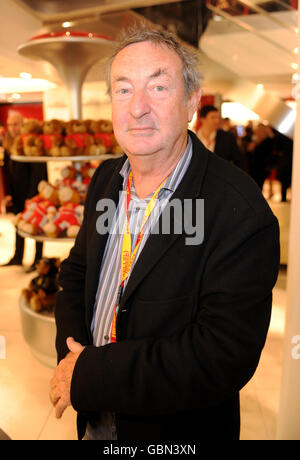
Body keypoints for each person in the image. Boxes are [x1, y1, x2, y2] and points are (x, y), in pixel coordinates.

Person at [50, 26, 280, 441]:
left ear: (192, 101)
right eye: (123, 90)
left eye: (158, 87)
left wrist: (91, 373)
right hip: (96, 420)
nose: (137, 108)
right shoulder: (106, 179)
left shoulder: (238, 210)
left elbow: (221, 356)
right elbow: (76, 273)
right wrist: (72, 356)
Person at [1, 111, 47, 271]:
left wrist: (32, 196)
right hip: (17, 193)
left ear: (23, 124)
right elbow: (8, 172)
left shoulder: (31, 142)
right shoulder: (9, 144)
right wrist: (8, 194)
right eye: (10, 125)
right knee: (18, 225)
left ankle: (38, 260)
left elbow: (38, 172)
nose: (12, 128)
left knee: (38, 225)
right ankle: (17, 257)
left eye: (15, 124)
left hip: (32, 193)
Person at [197, 105, 245, 169]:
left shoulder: (227, 137)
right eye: (213, 117)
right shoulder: (194, 137)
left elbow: (239, 160)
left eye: (218, 117)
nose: (217, 121)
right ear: (202, 119)